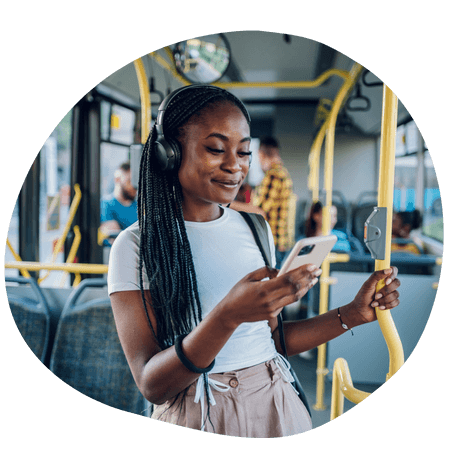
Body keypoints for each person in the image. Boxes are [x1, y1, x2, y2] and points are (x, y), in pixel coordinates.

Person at [107, 85, 401, 437]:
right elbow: (152, 385)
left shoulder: (255, 227)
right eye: (216, 149)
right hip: (198, 407)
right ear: (169, 153)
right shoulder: (135, 246)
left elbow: (273, 342)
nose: (235, 166)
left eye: (245, 152)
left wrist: (351, 314)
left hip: (275, 398)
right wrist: (227, 316)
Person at [252, 137, 293, 267]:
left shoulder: (274, 175)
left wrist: (228, 205)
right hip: (279, 242)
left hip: (273, 243)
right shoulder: (282, 173)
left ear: (262, 154)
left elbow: (259, 211)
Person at [100, 162, 137, 245]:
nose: (134, 187)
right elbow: (116, 240)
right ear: (117, 179)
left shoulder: (139, 207)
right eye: (129, 181)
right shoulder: (106, 204)